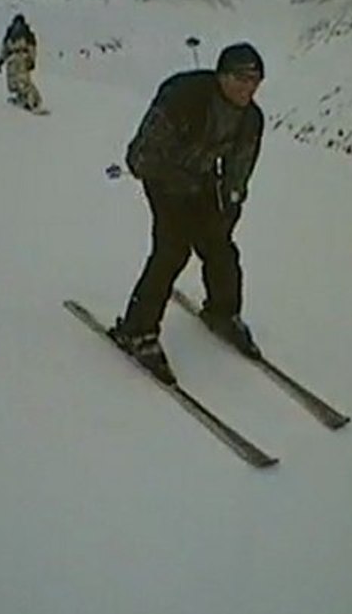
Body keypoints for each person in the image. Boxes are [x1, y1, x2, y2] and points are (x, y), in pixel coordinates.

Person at [109, 42, 266, 384]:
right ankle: (137, 330)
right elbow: (140, 156)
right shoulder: (185, 98)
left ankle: (223, 312)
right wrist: (178, 180)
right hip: (163, 175)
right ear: (221, 76)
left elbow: (239, 166)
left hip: (202, 178)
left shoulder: (250, 118)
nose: (248, 87)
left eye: (255, 81)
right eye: (241, 78)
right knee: (172, 249)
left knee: (219, 246)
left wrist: (232, 202)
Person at [0, 13, 43, 112]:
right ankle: (27, 99)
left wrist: (1, 61)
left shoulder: (12, 33)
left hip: (15, 57)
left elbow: (5, 48)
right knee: (20, 80)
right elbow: (32, 48)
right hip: (20, 57)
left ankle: (32, 101)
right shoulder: (26, 33)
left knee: (19, 81)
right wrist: (31, 60)